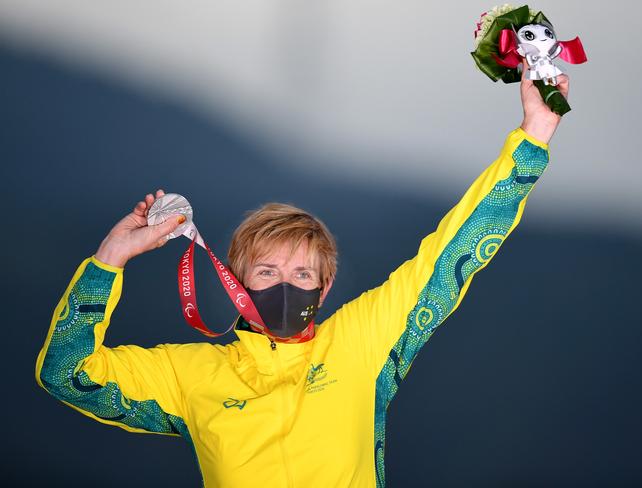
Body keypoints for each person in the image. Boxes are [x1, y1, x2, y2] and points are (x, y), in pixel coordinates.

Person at [36, 64, 569, 487]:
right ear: (236, 282)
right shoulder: (189, 375)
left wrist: (533, 135)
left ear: (325, 286)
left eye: (301, 273)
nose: (286, 284)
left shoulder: (360, 342)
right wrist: (109, 259)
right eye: (266, 271)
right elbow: (66, 374)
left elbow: (452, 252)